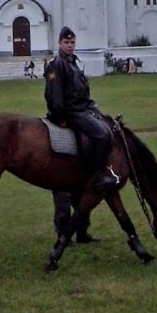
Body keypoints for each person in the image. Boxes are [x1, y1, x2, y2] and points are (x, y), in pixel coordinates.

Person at [44, 26, 119, 191]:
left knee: (109, 128)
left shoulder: (73, 62)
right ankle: (97, 175)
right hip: (72, 111)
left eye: (72, 42)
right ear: (59, 43)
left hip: (83, 108)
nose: (70, 45)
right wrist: (60, 117)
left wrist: (96, 109)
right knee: (101, 135)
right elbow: (54, 95)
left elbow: (82, 91)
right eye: (66, 42)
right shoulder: (57, 65)